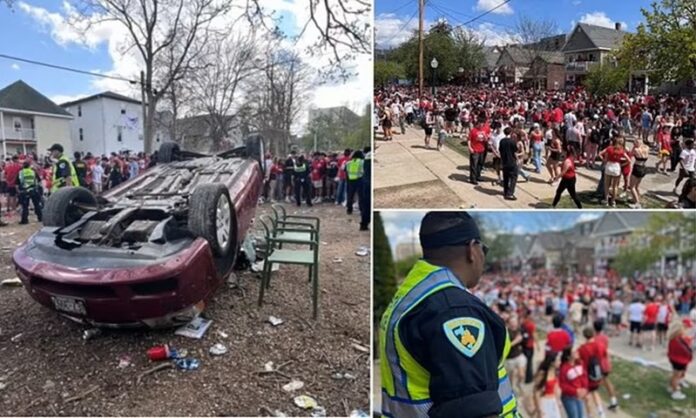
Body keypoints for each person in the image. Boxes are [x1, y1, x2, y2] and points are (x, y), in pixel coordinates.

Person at [379, 212, 520, 418]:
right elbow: (474, 413)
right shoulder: (454, 310)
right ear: (472, 249)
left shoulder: (413, 293)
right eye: (484, 249)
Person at [577, 327, 606, 418]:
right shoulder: (600, 345)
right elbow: (604, 355)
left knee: (587, 395)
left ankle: (589, 414)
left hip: (586, 374)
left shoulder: (582, 348)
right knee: (595, 392)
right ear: (593, 334)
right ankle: (601, 412)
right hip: (597, 372)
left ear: (584, 336)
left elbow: (578, 360)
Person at [592, 320, 618, 410]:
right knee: (607, 381)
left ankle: (597, 406)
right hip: (605, 362)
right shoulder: (605, 338)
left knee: (593, 383)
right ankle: (613, 400)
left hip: (598, 363)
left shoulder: (594, 338)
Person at [667, 320, 693, 400]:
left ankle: (671, 387)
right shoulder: (680, 340)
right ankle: (675, 392)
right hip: (680, 360)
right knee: (677, 376)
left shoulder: (673, 338)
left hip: (674, 358)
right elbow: (687, 350)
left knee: (675, 375)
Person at [558, 348, 588, 418]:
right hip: (569, 398)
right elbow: (563, 385)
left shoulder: (580, 364)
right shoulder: (564, 368)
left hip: (579, 396)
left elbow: (584, 377)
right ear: (569, 356)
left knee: (581, 415)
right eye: (574, 352)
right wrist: (575, 391)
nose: (577, 352)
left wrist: (585, 389)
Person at [532, 353, 563, 418]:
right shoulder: (542, 374)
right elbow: (536, 392)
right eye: (558, 360)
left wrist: (558, 402)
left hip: (553, 401)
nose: (560, 362)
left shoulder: (556, 372)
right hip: (545, 402)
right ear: (552, 362)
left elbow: (556, 390)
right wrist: (539, 409)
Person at [17, 161, 42, 225]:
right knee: (36, 205)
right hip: (34, 190)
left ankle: (24, 220)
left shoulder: (20, 173)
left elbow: (17, 183)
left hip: (24, 191)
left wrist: (18, 191)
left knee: (25, 206)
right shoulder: (33, 172)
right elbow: (39, 181)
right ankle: (40, 218)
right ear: (29, 166)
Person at [628, 136, 650, 208]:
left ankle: (637, 203)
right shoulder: (646, 148)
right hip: (644, 167)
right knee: (637, 186)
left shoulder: (636, 150)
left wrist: (633, 147)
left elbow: (630, 155)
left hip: (637, 167)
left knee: (632, 187)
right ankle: (637, 199)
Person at [499, 127, 518, 200]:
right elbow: (515, 151)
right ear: (510, 133)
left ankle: (505, 191)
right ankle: (510, 193)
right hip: (512, 161)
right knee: (513, 177)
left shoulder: (502, 141)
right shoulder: (512, 142)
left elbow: (500, 150)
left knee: (506, 177)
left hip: (504, 161)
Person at [467, 118, 488, 185]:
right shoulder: (473, 130)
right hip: (475, 150)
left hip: (482, 149)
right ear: (478, 123)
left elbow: (486, 140)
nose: (482, 125)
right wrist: (470, 147)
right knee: (474, 164)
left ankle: (478, 176)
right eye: (481, 124)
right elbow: (469, 139)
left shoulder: (484, 130)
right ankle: (473, 178)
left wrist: (484, 136)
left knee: (480, 164)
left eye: (483, 124)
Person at [345, 150, 364, 215]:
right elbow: (363, 171)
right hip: (359, 179)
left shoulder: (349, 163)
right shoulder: (362, 162)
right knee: (360, 195)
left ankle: (349, 209)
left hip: (350, 180)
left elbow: (346, 171)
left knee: (350, 195)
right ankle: (361, 210)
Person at [521, 308, 537, 384]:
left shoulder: (523, 324)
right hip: (529, 345)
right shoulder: (531, 324)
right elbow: (534, 335)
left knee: (526, 362)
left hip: (524, 345)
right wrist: (538, 345)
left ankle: (526, 377)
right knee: (529, 362)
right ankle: (529, 378)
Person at [359, 147, 372, 231]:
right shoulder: (371, 155)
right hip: (369, 182)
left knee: (366, 205)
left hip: (365, 183)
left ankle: (364, 224)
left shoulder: (366, 157)